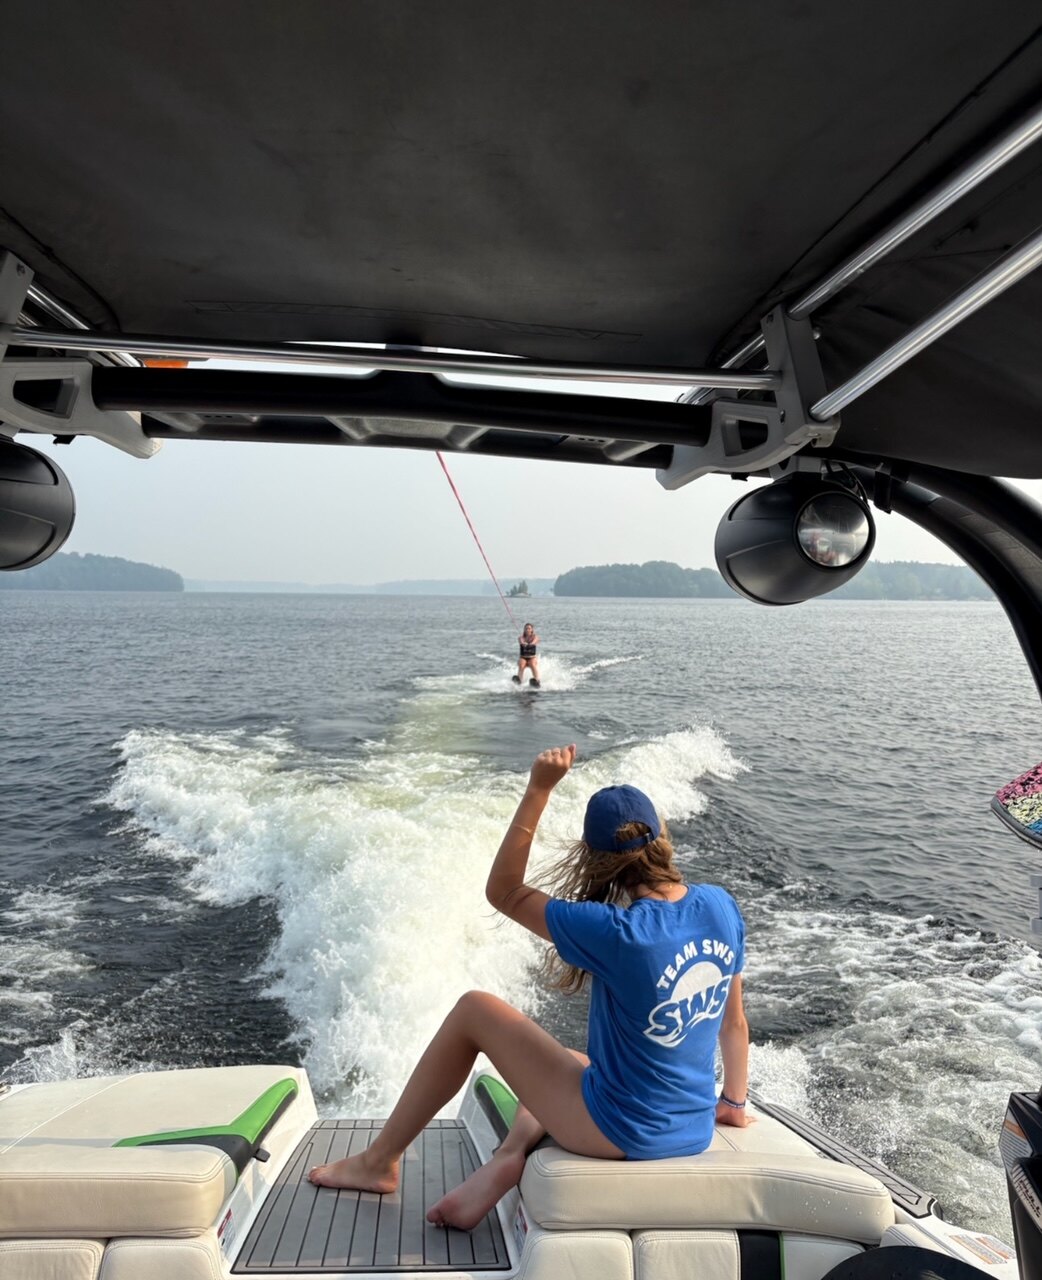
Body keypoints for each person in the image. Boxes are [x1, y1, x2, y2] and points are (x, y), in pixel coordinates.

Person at [308, 744, 750, 1231]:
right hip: (694, 1128)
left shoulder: (615, 931)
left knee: (474, 1010)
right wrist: (731, 1103)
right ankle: (510, 1155)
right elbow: (733, 1022)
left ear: (594, 859)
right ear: (661, 837)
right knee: (576, 1060)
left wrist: (538, 788)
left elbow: (504, 891)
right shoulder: (720, 906)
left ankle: (378, 1162)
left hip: (624, 1132)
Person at [513, 622, 541, 687]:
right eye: (526, 628)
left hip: (532, 657)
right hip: (523, 657)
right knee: (521, 664)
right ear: (524, 630)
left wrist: (530, 644)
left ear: (532, 630)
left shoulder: (535, 637)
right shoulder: (521, 637)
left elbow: (535, 641)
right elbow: (521, 641)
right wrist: (523, 643)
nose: (527, 629)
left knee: (532, 664)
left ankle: (537, 680)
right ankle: (519, 680)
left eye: (529, 628)